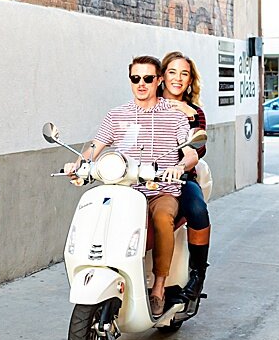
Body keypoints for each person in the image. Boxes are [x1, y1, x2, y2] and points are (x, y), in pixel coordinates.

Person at [68, 55, 198, 318]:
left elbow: (191, 152)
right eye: (135, 78)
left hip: (161, 190)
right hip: (125, 191)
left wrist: (180, 166)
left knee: (162, 218)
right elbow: (96, 146)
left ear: (158, 80)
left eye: (148, 78)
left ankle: (159, 287)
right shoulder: (117, 115)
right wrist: (78, 163)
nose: (141, 84)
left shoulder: (174, 116)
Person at [161, 51, 212, 310]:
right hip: (145, 176)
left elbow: (198, 149)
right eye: (172, 72)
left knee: (197, 208)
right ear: (162, 76)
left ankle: (197, 275)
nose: (178, 78)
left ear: (190, 80)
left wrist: (181, 166)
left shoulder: (195, 112)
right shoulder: (149, 102)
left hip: (181, 178)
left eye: (184, 73)